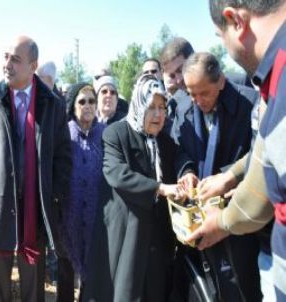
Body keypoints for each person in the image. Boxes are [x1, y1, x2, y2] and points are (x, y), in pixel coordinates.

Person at [186, 0, 286, 300]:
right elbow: (266, 151)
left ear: (235, 21)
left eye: (220, 36)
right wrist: (231, 177)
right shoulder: (273, 79)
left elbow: (255, 204)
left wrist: (223, 221)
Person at [0, 35, 71, 302]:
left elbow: (62, 158)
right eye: (5, 57)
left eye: (15, 59)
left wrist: (54, 199)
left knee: (33, 290)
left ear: (33, 65)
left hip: (37, 212)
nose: (7, 65)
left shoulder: (53, 105)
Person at [83, 74, 182, 302]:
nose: (158, 114)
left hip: (158, 238)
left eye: (162, 107)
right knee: (124, 291)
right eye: (152, 107)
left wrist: (187, 175)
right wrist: (161, 188)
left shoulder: (165, 141)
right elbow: (117, 174)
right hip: (127, 232)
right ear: (139, 105)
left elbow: (181, 159)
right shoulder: (117, 133)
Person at [172, 52, 261, 301]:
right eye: (192, 93)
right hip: (198, 220)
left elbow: (259, 156)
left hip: (238, 221)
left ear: (220, 81)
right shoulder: (184, 107)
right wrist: (187, 171)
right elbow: (180, 150)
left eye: (204, 93)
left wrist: (226, 179)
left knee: (241, 287)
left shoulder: (249, 104)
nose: (198, 100)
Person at [58, 83, 105, 301]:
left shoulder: (106, 134)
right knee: (66, 272)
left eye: (91, 101)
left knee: (94, 275)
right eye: (82, 101)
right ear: (74, 105)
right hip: (68, 215)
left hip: (97, 216)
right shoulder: (63, 133)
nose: (87, 106)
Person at [160, 37, 194, 120]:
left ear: (193, 59)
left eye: (181, 70)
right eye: (172, 75)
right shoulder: (178, 113)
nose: (178, 80)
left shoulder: (223, 91)